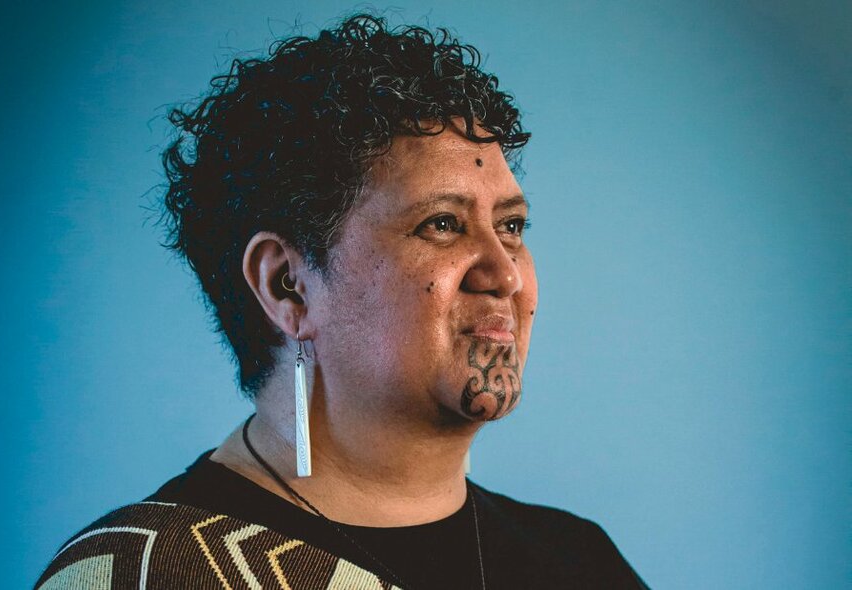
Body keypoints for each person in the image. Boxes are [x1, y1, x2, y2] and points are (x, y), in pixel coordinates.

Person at [35, 13, 649, 589]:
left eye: (512, 227)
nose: (505, 275)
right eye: (441, 223)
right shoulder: (150, 573)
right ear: (287, 285)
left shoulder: (579, 560)